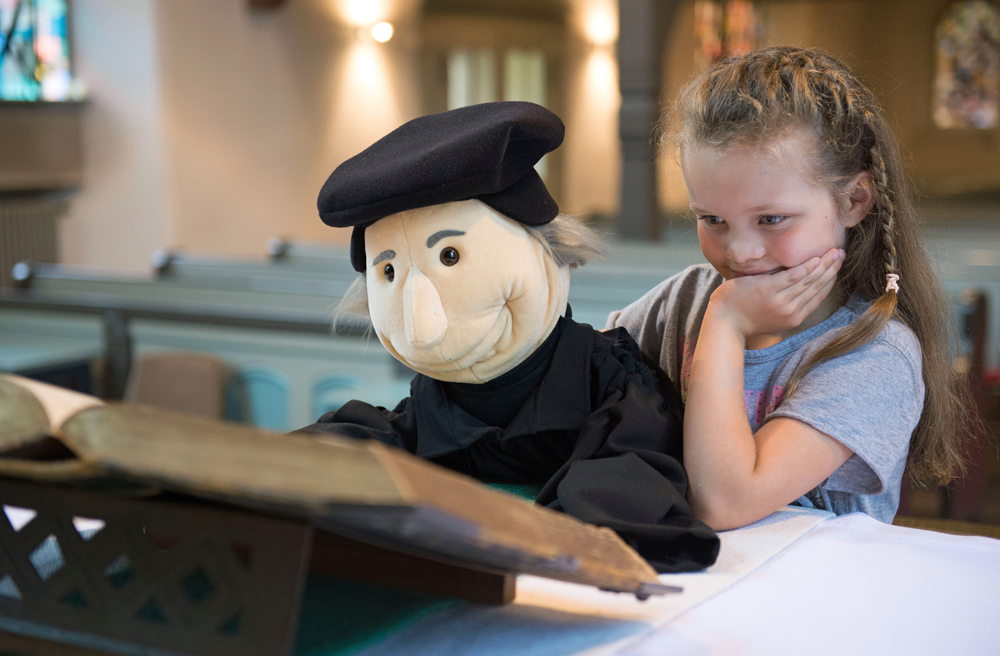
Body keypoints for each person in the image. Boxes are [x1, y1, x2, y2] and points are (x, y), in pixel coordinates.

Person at [607, 47, 968, 531]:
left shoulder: (875, 353)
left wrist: (728, 324)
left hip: (812, 594)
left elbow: (725, 503)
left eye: (771, 219)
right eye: (712, 219)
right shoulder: (682, 300)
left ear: (854, 200)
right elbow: (580, 378)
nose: (741, 252)